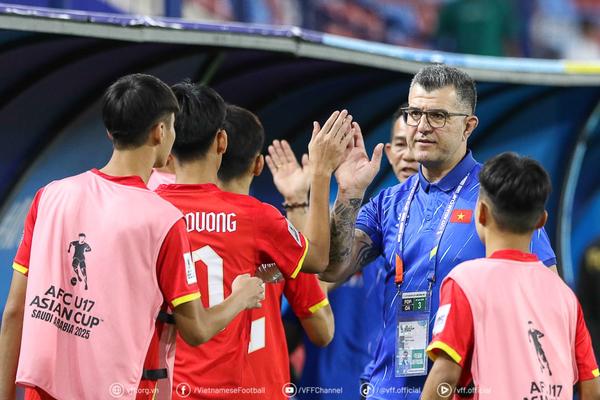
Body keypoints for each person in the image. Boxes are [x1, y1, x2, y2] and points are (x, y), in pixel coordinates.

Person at [0, 74, 264, 400]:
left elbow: (15, 310)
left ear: (110, 132)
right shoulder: (163, 219)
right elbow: (196, 330)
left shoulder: (50, 196)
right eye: (173, 127)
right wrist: (241, 296)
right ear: (160, 132)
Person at [319, 64, 557, 399]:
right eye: (414, 113)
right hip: (389, 389)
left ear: (468, 126)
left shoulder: (499, 195)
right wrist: (349, 193)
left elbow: (548, 298)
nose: (422, 127)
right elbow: (332, 268)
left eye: (438, 116)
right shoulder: (388, 202)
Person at [154, 82, 351, 399]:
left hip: (174, 390)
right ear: (221, 142)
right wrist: (316, 177)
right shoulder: (263, 222)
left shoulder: (149, 210)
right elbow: (322, 327)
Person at [265, 105, 419, 399]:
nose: (409, 155)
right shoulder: (367, 223)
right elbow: (313, 280)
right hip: (328, 388)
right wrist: (298, 202)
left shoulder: (449, 229)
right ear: (388, 152)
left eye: (416, 144)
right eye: (401, 144)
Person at [422, 152, 600, 399]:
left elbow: (445, 377)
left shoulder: (465, 282)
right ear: (541, 221)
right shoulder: (565, 296)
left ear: (481, 212)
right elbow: (592, 387)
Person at [218, 104, 335, 399]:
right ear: (258, 165)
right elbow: (322, 329)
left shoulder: (170, 217)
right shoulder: (272, 229)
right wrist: (298, 201)